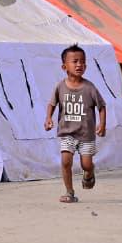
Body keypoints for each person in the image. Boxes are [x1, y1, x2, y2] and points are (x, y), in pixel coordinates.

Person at [44, 44, 107, 203]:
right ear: (64, 66)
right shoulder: (60, 86)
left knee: (86, 164)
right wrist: (48, 118)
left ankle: (89, 172)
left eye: (82, 62)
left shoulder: (89, 87)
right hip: (67, 133)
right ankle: (69, 192)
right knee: (66, 161)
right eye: (75, 61)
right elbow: (52, 103)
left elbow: (102, 106)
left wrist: (102, 124)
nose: (79, 65)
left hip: (86, 135)